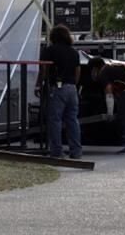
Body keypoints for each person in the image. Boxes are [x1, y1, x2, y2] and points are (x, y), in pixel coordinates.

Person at [36, 25, 82, 159]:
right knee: (72, 120)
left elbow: (43, 69)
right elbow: (78, 71)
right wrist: (73, 83)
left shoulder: (49, 50)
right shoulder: (73, 52)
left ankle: (57, 151)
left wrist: (39, 84)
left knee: (55, 120)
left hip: (57, 87)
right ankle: (76, 150)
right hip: (72, 88)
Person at [88, 57, 125, 154]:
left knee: (123, 117)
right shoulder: (112, 66)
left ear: (95, 68)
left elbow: (109, 91)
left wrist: (110, 112)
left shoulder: (103, 72)